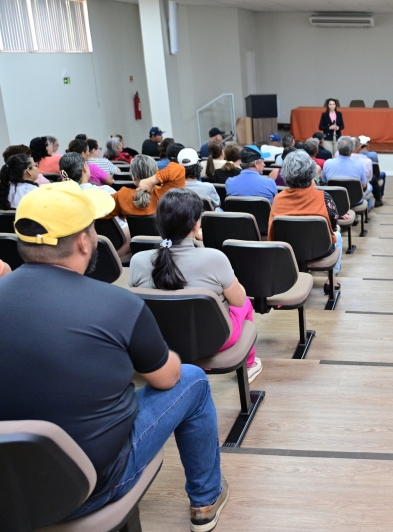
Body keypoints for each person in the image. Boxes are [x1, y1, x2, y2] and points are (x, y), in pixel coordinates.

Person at [0, 181, 229, 531]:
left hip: (7, 489)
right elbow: (167, 378)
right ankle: (205, 501)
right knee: (192, 379)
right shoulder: (117, 304)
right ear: (83, 241)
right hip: (88, 487)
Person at [128, 187, 260, 380]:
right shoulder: (215, 258)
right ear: (197, 224)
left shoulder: (138, 260)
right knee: (246, 302)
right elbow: (238, 301)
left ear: (159, 222)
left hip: (160, 340)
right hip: (215, 340)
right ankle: (249, 365)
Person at [268, 150, 346, 294]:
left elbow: (272, 229)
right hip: (320, 250)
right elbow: (333, 225)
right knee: (338, 235)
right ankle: (332, 280)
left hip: (287, 250)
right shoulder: (324, 197)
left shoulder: (278, 199)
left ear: (285, 174)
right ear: (311, 173)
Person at [59, 152, 129, 256]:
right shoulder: (106, 192)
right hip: (113, 243)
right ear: (85, 168)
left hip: (74, 246)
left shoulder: (59, 198)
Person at [108, 153, 185, 217]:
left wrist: (121, 210)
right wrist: (152, 180)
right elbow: (180, 169)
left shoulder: (121, 196)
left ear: (134, 178)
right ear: (156, 172)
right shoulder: (165, 196)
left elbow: (102, 212)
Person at [321, 137, 370, 207]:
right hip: (355, 201)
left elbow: (324, 181)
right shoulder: (359, 166)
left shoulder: (327, 163)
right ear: (352, 150)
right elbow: (364, 185)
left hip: (333, 200)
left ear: (337, 148)